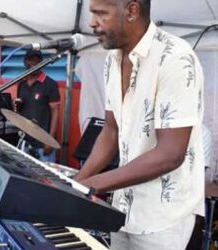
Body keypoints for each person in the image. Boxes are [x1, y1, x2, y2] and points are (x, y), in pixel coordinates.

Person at [74, 1, 204, 249]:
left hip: (162, 218)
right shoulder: (112, 59)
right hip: (122, 207)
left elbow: (170, 155)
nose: (91, 23)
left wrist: (94, 184)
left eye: (100, 13)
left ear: (131, 11)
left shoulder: (175, 57)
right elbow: (110, 131)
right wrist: (79, 180)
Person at [16, 50, 60, 162]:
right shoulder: (21, 84)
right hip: (25, 141)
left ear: (42, 62)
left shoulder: (50, 84)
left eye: (37, 60)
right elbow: (21, 111)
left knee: (45, 178)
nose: (33, 63)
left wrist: (49, 140)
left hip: (43, 143)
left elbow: (55, 113)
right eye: (30, 59)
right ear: (25, 62)